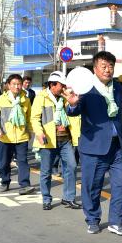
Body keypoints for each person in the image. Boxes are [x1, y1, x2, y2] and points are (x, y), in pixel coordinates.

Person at [65, 51, 122, 236]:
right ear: (95, 68)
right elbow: (74, 111)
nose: (108, 70)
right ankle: (93, 219)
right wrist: (72, 104)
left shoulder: (117, 86)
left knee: (121, 185)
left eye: (111, 66)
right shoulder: (85, 86)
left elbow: (121, 115)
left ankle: (117, 221)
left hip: (117, 145)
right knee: (92, 186)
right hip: (93, 146)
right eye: (104, 66)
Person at [32, 71, 82, 210]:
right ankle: (46, 199)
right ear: (52, 85)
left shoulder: (65, 98)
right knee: (46, 171)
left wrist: (72, 101)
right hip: (48, 140)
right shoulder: (41, 97)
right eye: (61, 85)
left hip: (65, 140)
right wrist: (39, 132)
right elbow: (35, 118)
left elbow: (74, 112)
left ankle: (68, 198)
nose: (63, 88)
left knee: (71, 167)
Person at [0, 74, 36, 194]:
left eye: (19, 84)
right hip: (5, 137)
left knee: (23, 161)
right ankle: (5, 181)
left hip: (22, 136)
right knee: (4, 162)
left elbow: (29, 118)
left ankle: (25, 185)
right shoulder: (0, 100)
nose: (17, 86)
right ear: (8, 85)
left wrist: (30, 131)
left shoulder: (26, 100)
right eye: (14, 84)